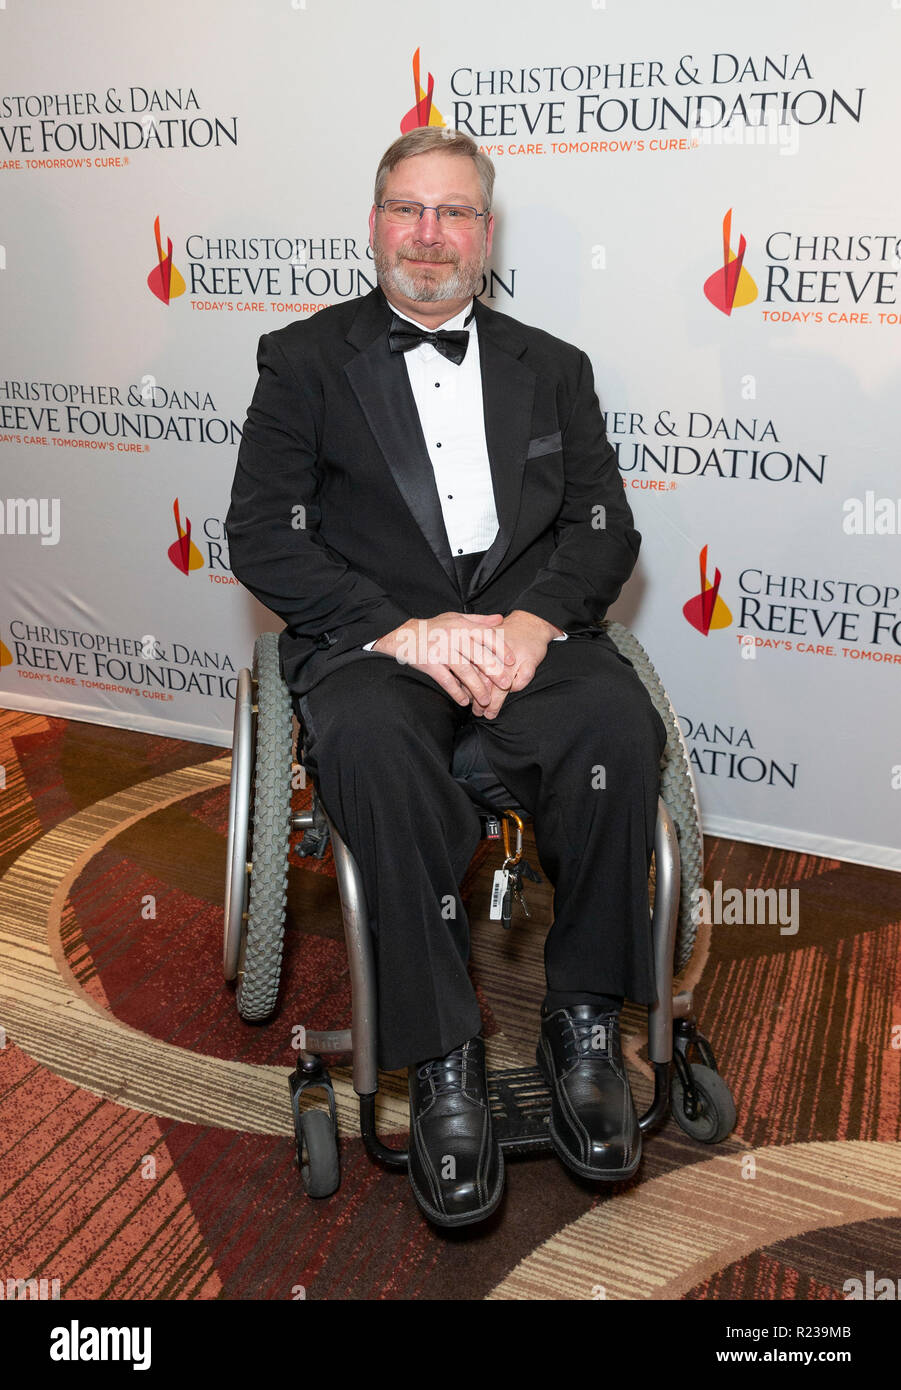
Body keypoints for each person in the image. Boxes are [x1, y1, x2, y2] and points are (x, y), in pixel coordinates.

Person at [226, 127, 667, 1228]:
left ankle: (580, 1023)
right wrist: (406, 631)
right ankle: (443, 1060)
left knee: (616, 722)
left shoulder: (552, 367)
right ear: (374, 223)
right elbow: (263, 540)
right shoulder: (301, 359)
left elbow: (604, 530)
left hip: (525, 646)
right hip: (380, 653)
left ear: (485, 234)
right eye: (407, 209)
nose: (430, 234)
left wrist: (530, 622)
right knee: (374, 744)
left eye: (455, 213)